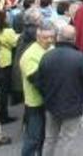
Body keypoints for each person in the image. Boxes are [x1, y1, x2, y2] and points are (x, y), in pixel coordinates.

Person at [34, 24, 83, 156]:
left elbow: (38, 81)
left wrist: (46, 95)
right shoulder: (79, 57)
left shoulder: (47, 56)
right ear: (74, 39)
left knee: (50, 138)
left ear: (58, 37)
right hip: (73, 104)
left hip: (51, 103)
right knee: (68, 139)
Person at [20, 22, 56, 155]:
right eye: (45, 37)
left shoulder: (51, 48)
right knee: (33, 138)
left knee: (45, 137)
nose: (49, 40)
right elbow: (37, 82)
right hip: (35, 102)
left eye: (51, 37)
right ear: (37, 37)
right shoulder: (30, 55)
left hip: (48, 100)